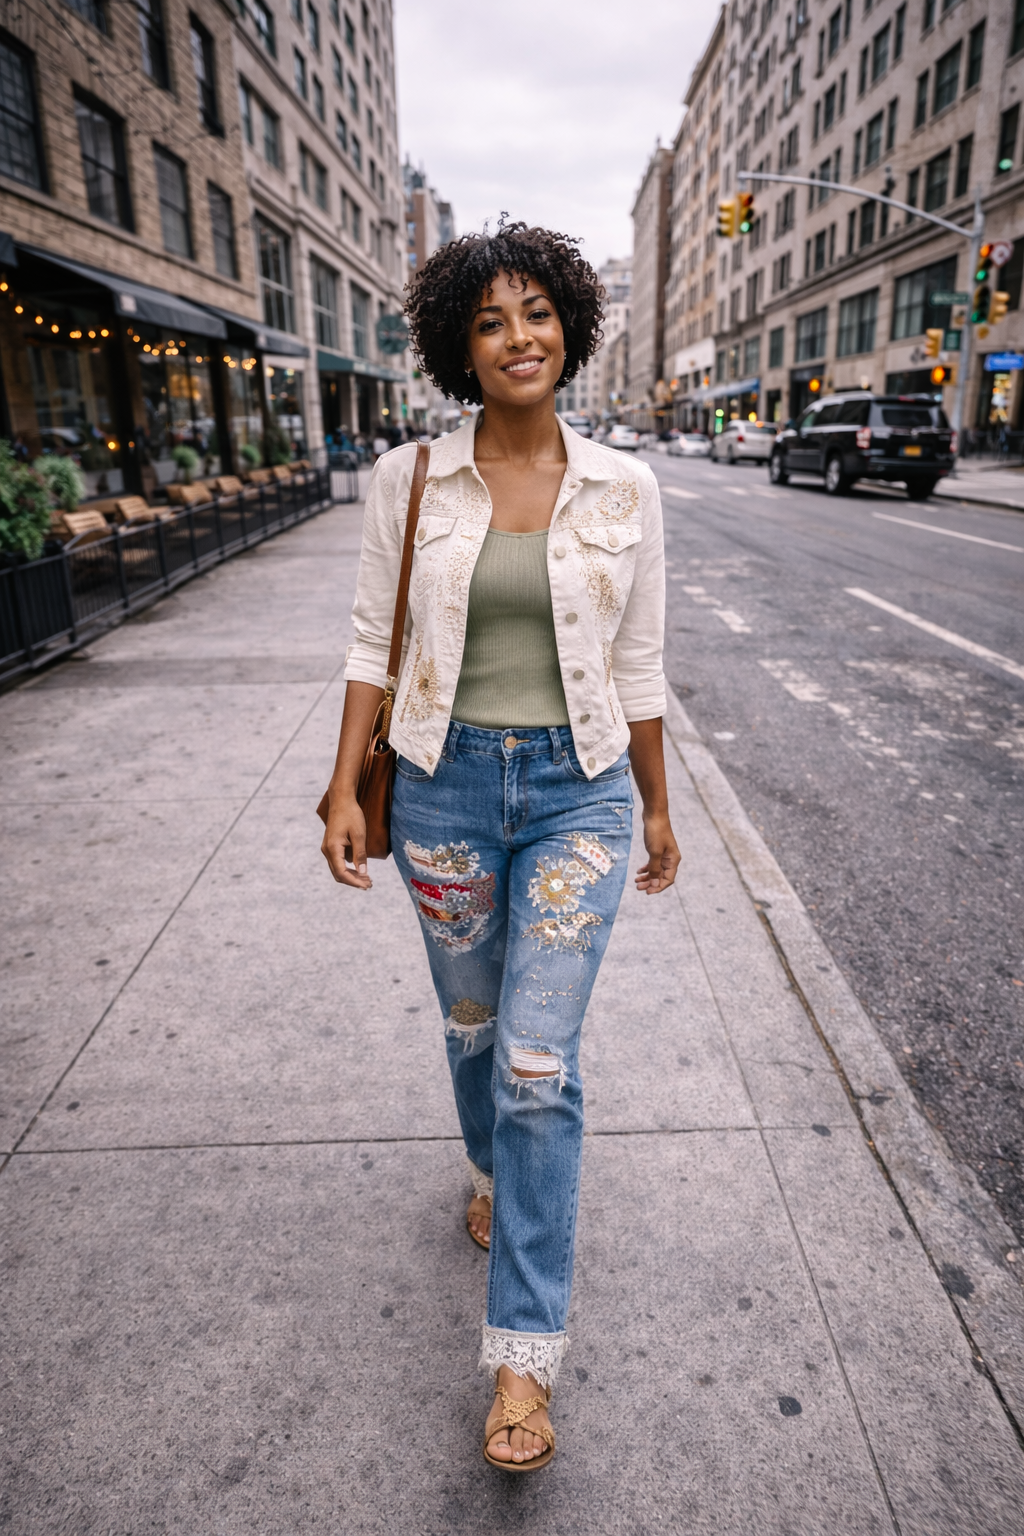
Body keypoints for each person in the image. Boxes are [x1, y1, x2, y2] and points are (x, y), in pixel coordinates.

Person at [320, 221, 679, 1471]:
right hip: (444, 788)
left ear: (568, 325)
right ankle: (488, 1168)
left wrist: (657, 806)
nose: (517, 337)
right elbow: (370, 643)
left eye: (535, 313)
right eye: (488, 321)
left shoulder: (626, 487)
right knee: (474, 1026)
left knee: (537, 1060)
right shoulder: (410, 478)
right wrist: (342, 788)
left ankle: (523, 1357)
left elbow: (639, 665)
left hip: (580, 792)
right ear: (456, 348)